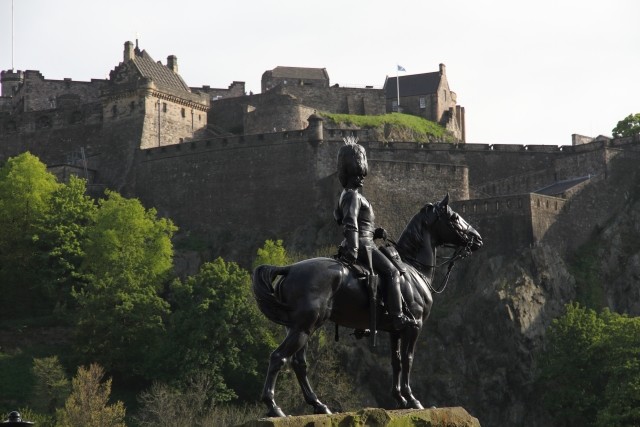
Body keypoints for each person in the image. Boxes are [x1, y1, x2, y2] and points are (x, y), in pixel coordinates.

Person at [334, 137, 412, 330]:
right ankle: (397, 316)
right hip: (362, 245)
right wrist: (353, 248)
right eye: (357, 174)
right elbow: (350, 222)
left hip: (364, 241)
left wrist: (375, 231)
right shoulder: (352, 195)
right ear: (350, 173)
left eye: (361, 174)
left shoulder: (348, 195)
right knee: (392, 272)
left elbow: (355, 222)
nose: (361, 177)